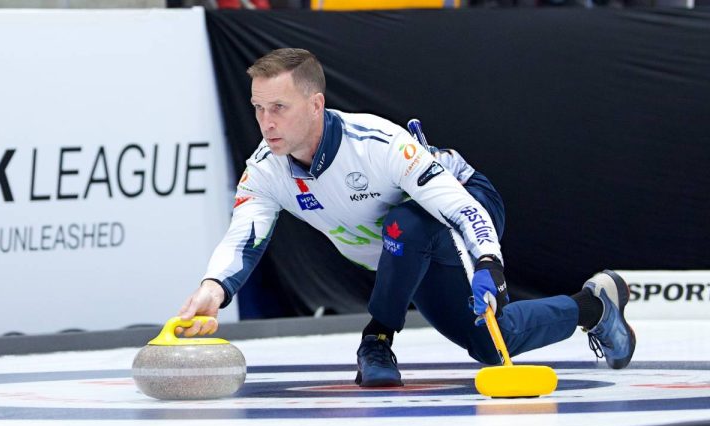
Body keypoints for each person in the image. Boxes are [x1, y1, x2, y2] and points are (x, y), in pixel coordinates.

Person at [177, 48, 636, 386]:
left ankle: (377, 339)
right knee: (490, 345)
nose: (266, 122)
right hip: (404, 253)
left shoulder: (378, 144)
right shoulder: (264, 170)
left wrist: (488, 268)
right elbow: (244, 236)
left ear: (316, 105)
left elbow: (461, 208)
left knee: (404, 223)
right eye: (258, 108)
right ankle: (595, 306)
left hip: (465, 204)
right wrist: (212, 288)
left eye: (279, 107)